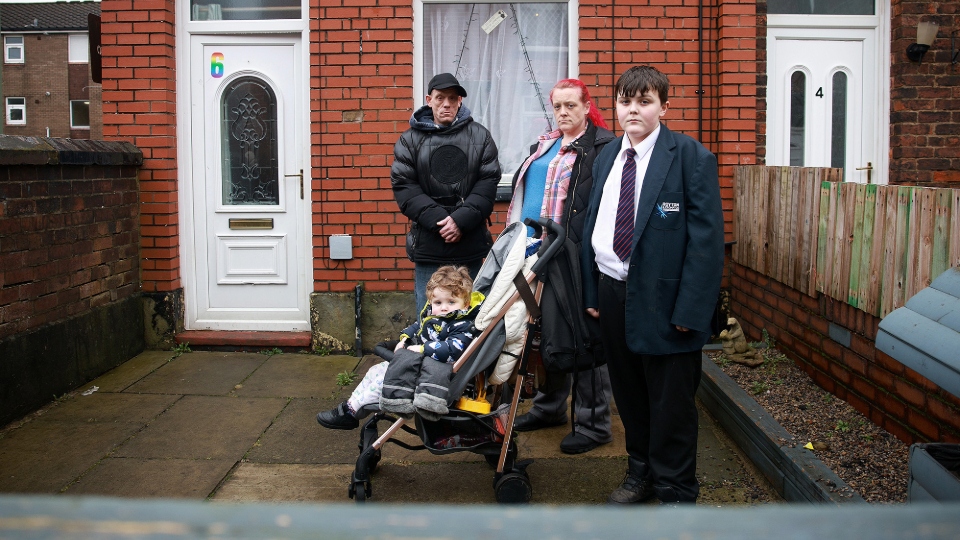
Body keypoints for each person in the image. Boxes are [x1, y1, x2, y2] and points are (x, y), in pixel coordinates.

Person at [580, 66, 724, 505]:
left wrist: (691, 312)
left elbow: (706, 243)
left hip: (668, 303)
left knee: (672, 406)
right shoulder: (606, 156)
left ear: (664, 105)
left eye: (644, 101)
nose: (634, 110)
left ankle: (675, 490)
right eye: (626, 101)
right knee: (631, 397)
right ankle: (640, 474)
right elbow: (592, 225)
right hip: (612, 294)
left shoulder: (690, 158)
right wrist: (593, 295)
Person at [504, 79, 616, 455]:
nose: (564, 112)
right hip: (537, 251)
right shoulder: (546, 143)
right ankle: (549, 408)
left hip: (575, 255)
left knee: (583, 335)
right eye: (558, 106)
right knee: (543, 332)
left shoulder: (603, 147)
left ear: (587, 106)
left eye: (571, 105)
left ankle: (594, 423)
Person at [316, 266, 483, 429]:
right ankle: (349, 407)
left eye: (451, 302)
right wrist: (404, 339)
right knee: (376, 370)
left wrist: (423, 349)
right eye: (438, 302)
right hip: (420, 363)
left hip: (435, 372)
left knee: (383, 380)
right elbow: (418, 326)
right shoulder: (433, 317)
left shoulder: (463, 325)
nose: (444, 307)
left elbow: (452, 349)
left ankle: (352, 411)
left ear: (466, 304)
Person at [392, 73, 500, 312]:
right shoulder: (410, 140)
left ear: (460, 101)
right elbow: (404, 186)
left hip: (469, 242)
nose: (446, 104)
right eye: (440, 98)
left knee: (469, 315)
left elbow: (488, 182)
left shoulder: (480, 136)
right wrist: (443, 222)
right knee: (429, 314)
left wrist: (460, 221)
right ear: (429, 99)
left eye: (453, 98)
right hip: (430, 244)